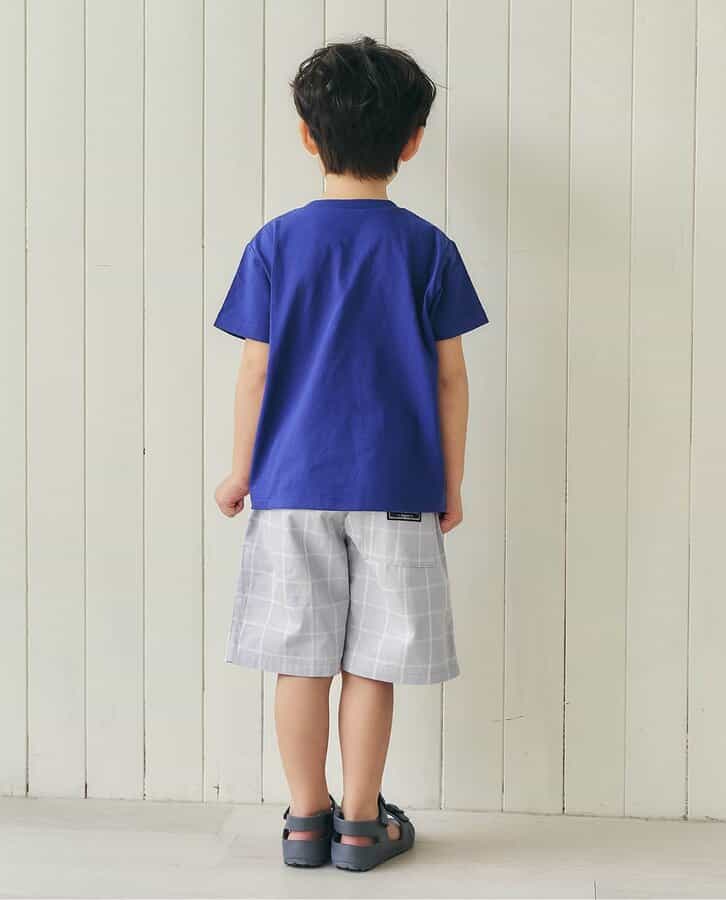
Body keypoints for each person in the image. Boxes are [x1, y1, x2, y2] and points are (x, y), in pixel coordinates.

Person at [213, 36, 489, 872]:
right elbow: (449, 379)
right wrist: (450, 482)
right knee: (373, 660)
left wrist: (241, 470)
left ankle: (306, 820)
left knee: (300, 659)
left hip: (292, 485)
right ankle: (363, 825)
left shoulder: (276, 243)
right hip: (398, 485)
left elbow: (256, 371)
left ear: (307, 134)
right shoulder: (428, 248)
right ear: (413, 141)